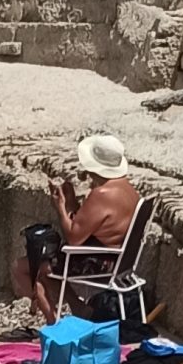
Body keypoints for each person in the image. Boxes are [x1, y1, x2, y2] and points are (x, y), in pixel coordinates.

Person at [15, 134, 142, 321]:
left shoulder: (102, 194)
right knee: (48, 264)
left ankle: (54, 325)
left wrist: (59, 207)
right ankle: (79, 309)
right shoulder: (130, 191)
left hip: (97, 263)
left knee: (27, 267)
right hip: (119, 261)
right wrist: (72, 203)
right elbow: (92, 224)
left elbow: (74, 237)